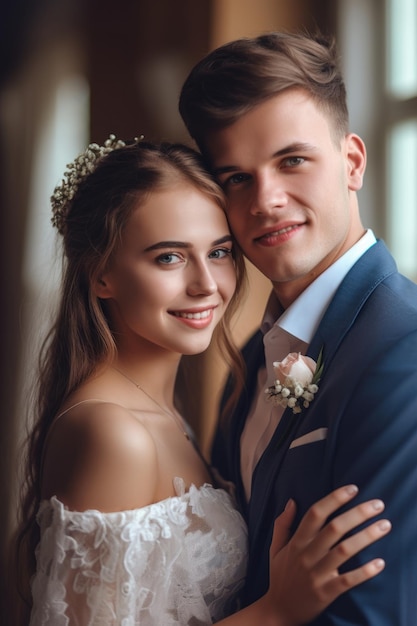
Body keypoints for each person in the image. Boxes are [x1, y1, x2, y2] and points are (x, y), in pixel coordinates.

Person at [14, 136, 390, 626]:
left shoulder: (164, 414)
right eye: (169, 257)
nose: (206, 284)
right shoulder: (113, 432)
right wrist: (275, 611)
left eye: (218, 252)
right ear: (101, 273)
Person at [179, 31, 417, 624]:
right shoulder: (249, 354)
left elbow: (371, 609)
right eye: (236, 178)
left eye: (292, 161)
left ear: (353, 161)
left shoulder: (403, 351)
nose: (266, 200)